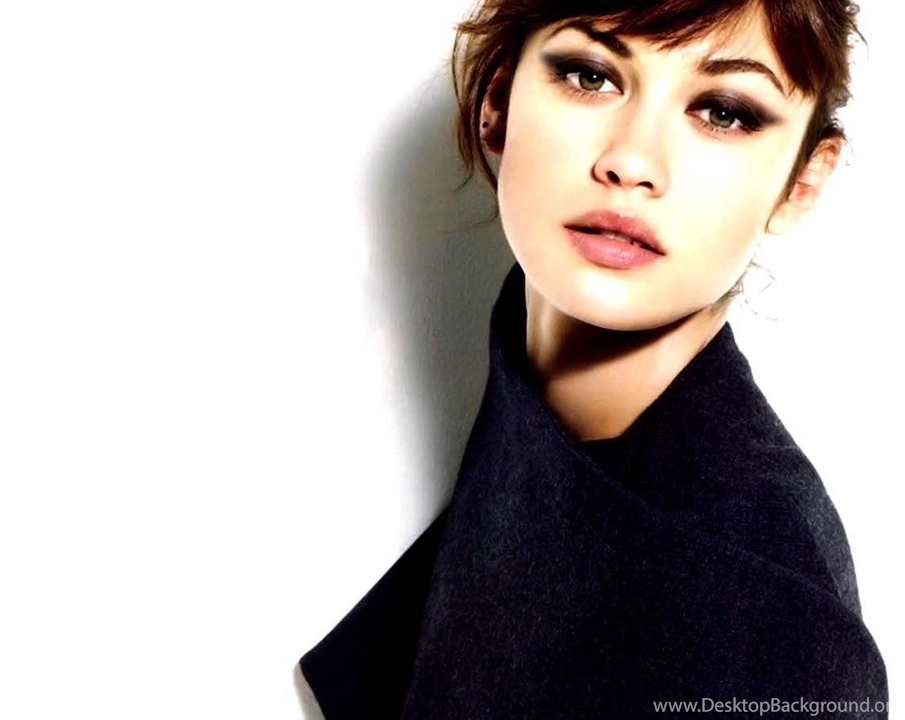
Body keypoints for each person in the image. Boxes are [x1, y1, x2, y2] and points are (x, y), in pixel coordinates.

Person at [297, 1, 887, 718]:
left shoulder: (771, 622)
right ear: (497, 101)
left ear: (803, 182)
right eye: (590, 75)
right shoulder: (541, 423)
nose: (632, 161)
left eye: (723, 113)